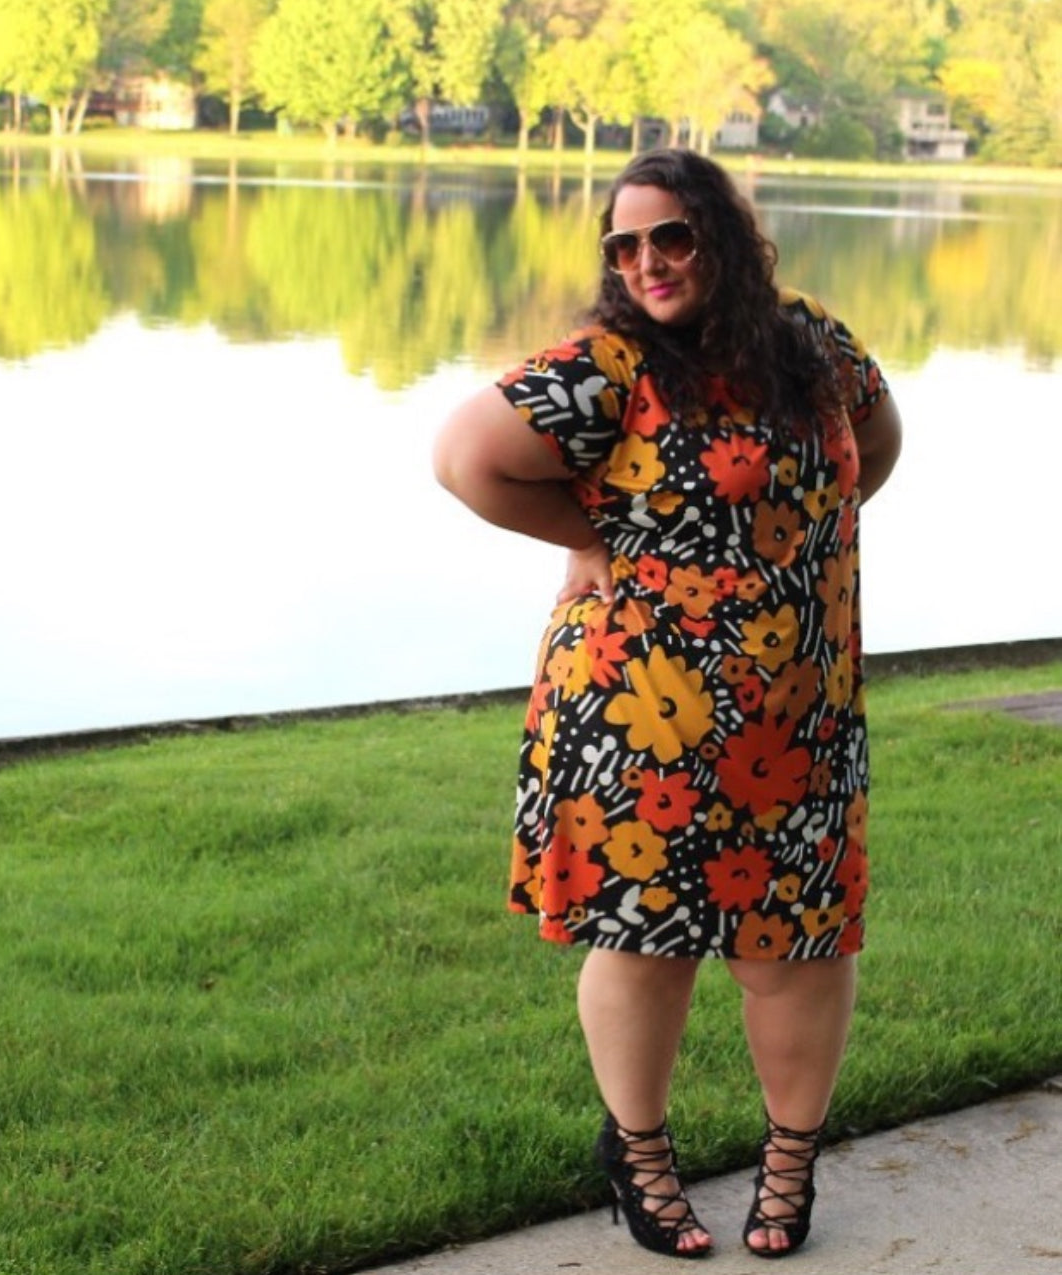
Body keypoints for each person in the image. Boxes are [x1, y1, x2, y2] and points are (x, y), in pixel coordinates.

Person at [432, 148, 902, 1261]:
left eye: (673, 236)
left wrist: (797, 540)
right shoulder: (610, 369)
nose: (648, 262)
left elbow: (875, 446)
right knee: (648, 942)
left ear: (727, 238)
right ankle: (638, 1156)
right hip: (642, 715)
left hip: (803, 710)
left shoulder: (815, 343)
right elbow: (466, 458)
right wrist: (594, 539)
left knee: (800, 947)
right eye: (625, 245)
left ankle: (790, 1169)